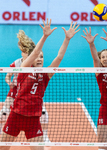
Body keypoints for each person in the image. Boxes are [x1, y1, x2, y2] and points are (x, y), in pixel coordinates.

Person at [0, 18, 80, 150]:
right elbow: (36, 52)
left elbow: (59, 57)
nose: (39, 58)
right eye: (37, 56)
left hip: (33, 119)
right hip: (16, 116)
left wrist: (67, 39)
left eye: (42, 57)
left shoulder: (46, 74)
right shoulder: (24, 69)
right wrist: (44, 36)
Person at [0, 30, 51, 143]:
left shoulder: (34, 62)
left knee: (44, 114)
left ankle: (45, 136)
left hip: (29, 93)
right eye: (22, 51)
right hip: (15, 91)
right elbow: (7, 77)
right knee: (3, 112)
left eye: (25, 51)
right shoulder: (17, 63)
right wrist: (10, 83)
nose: (23, 53)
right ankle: (2, 131)